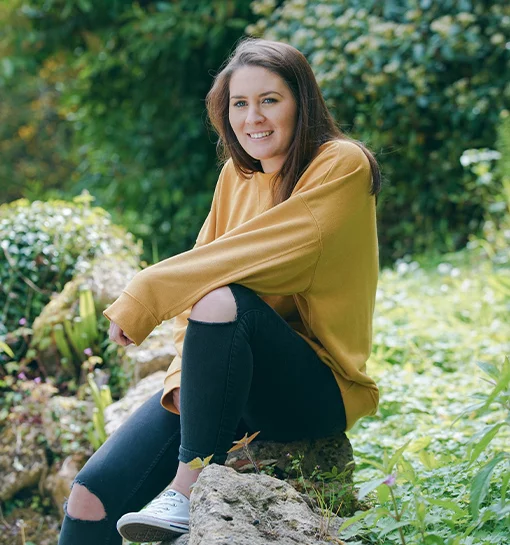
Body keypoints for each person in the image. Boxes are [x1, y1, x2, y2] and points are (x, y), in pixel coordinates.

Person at [57, 37, 382, 545]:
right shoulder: (237, 175)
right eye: (239, 103)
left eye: (270, 100)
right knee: (88, 499)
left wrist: (148, 288)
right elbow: (202, 285)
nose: (253, 117)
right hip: (233, 378)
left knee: (221, 298)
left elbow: (262, 259)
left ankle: (187, 493)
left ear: (303, 101)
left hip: (314, 389)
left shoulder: (340, 163)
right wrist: (182, 381)